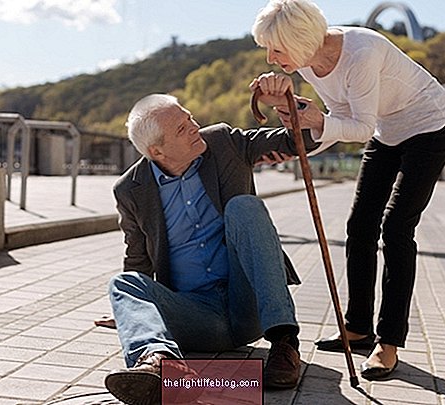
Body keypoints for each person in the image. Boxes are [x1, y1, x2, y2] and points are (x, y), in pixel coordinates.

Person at [251, 0, 445, 381]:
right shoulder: (311, 62)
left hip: (429, 127)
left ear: (300, 39)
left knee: (396, 228)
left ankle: (389, 341)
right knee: (360, 225)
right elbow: (336, 121)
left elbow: (357, 128)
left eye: (275, 49)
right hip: (386, 132)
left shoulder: (360, 53)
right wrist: (292, 145)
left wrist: (319, 121)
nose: (270, 57)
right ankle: (358, 326)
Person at [104, 93, 322, 404]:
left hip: (247, 304)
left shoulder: (222, 142)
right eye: (181, 129)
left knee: (244, 207)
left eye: (189, 118)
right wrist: (133, 310)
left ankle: (285, 343)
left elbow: (293, 142)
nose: (194, 127)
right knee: (122, 284)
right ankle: (161, 364)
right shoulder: (130, 189)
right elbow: (137, 259)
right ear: (157, 150)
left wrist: (304, 118)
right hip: (195, 317)